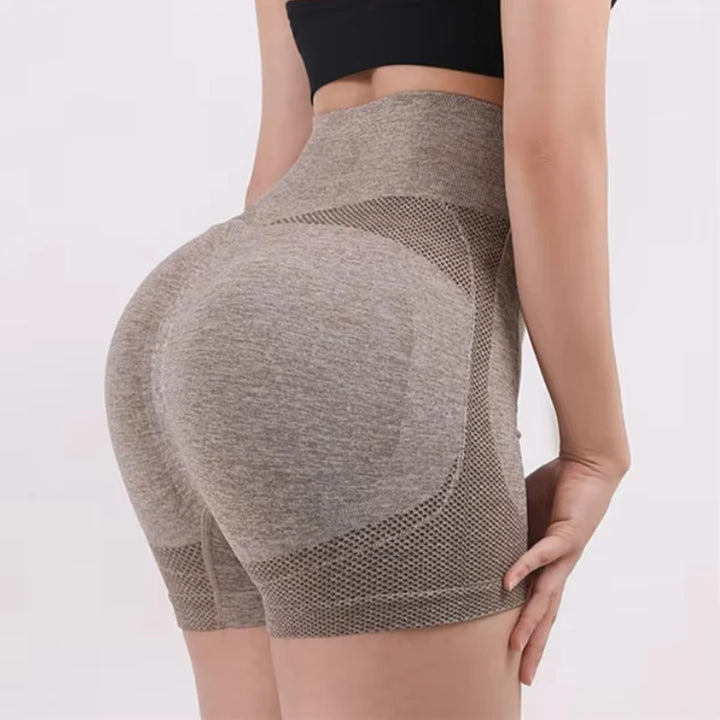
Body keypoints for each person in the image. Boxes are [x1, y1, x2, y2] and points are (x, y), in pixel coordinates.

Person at [103, 0, 630, 717]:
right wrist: (595, 449)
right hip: (377, 302)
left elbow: (278, 162)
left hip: (197, 300)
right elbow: (548, 145)